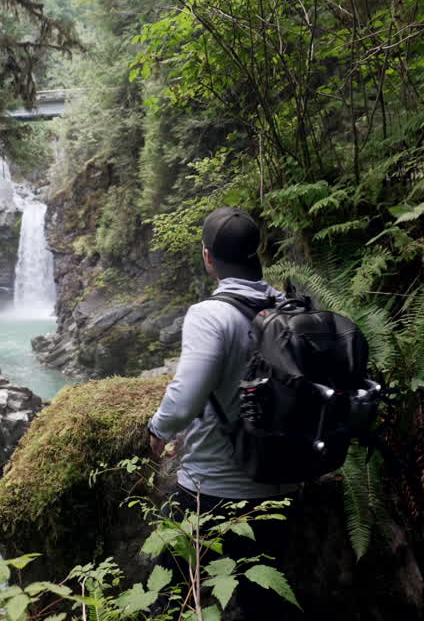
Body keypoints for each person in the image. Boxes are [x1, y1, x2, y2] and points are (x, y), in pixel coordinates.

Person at [147, 206, 299, 617]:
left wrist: (156, 428)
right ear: (259, 251)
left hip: (213, 487)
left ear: (207, 257)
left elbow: (185, 399)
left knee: (168, 598)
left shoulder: (210, 315)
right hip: (283, 485)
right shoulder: (290, 308)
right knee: (262, 604)